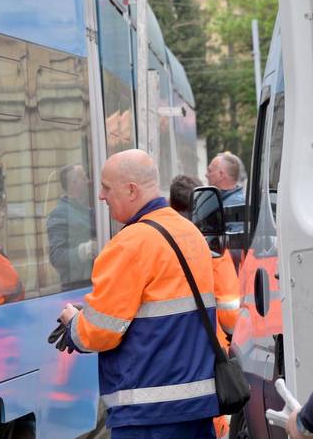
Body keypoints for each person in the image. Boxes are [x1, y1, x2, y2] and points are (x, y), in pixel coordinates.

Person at [59, 150, 218, 438]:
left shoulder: (129, 244)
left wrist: (73, 324)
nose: (101, 197)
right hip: (197, 406)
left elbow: (100, 333)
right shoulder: (190, 233)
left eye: (107, 188)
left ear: (131, 190)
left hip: (148, 413)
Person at [170, 174, 241, 438]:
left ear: (172, 204)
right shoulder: (211, 246)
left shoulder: (155, 240)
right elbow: (230, 313)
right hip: (209, 352)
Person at [46, 164, 97, 286]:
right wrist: (86, 249)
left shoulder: (87, 210)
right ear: (74, 184)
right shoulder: (60, 213)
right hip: (76, 287)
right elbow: (57, 257)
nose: (89, 181)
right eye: (84, 178)